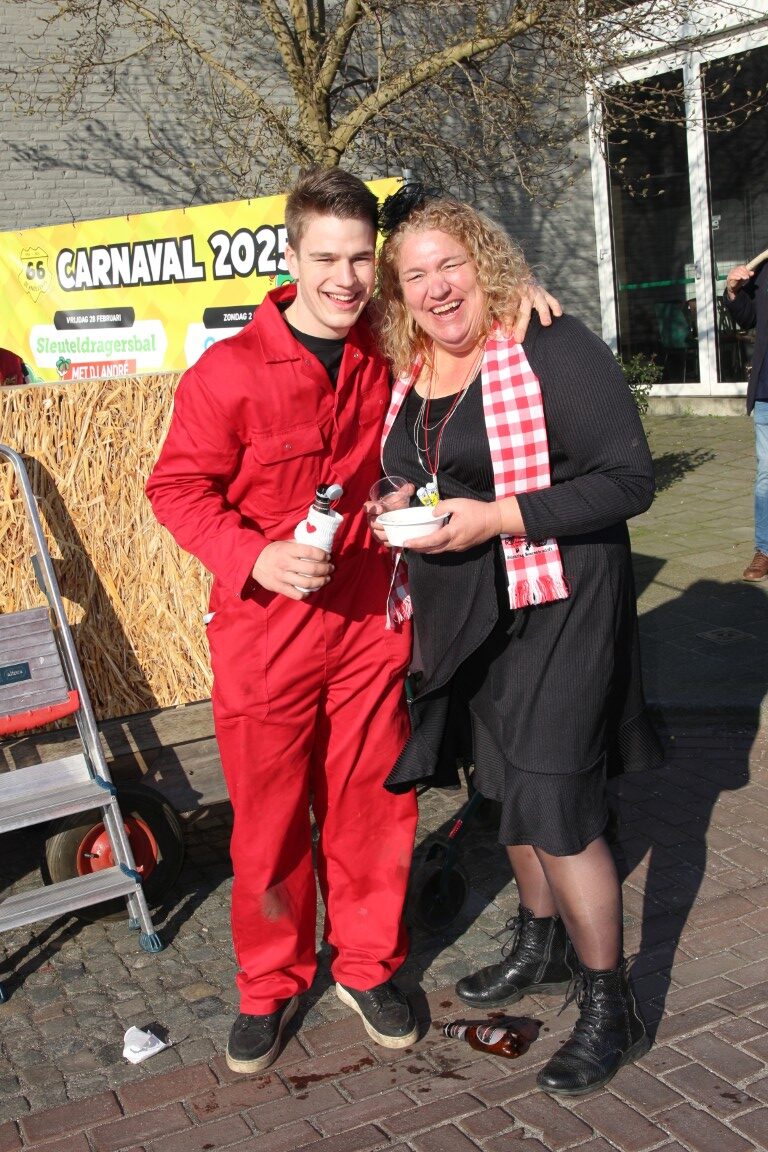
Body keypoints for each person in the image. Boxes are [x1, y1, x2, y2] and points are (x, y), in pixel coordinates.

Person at [146, 169, 559, 1075]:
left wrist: (513, 294)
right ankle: (269, 984)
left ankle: (366, 967)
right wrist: (253, 555)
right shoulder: (228, 373)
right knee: (268, 821)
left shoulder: (388, 343)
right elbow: (175, 489)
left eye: (361, 259)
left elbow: (457, 313)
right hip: (265, 631)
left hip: (371, 621)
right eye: (326, 258)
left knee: (374, 809)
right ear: (290, 258)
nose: (345, 278)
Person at [372, 191, 663, 1097]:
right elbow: (417, 468)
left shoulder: (548, 344)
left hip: (563, 595)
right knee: (504, 782)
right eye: (415, 275)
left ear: (484, 262)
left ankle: (613, 1004)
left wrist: (499, 516)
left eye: (449, 265)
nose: (436, 287)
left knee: (557, 796)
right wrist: (398, 504)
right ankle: (541, 944)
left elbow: (630, 480)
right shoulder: (413, 364)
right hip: (473, 608)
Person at [723, 258, 768, 582]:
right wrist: (733, 291)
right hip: (767, 390)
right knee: (767, 475)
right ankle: (765, 549)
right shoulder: (764, 267)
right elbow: (748, 317)